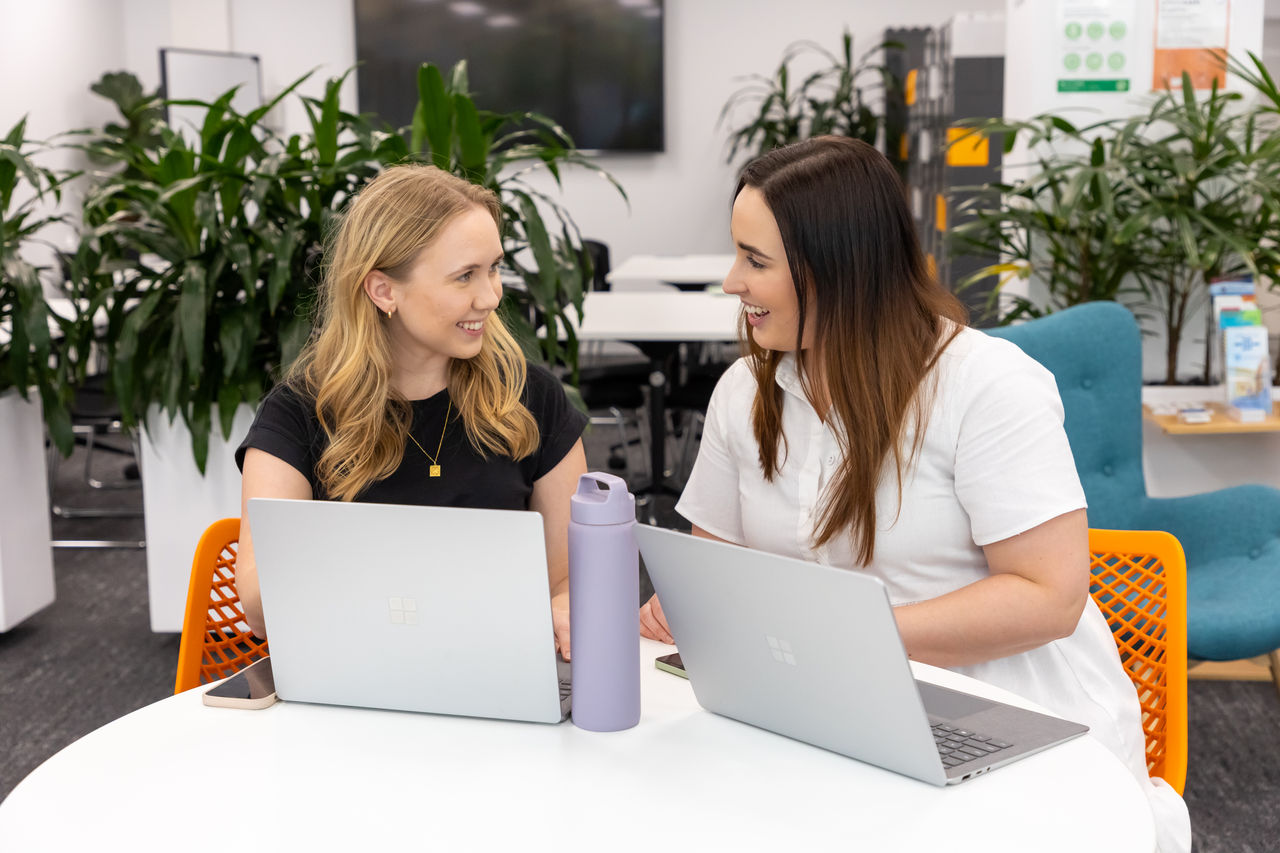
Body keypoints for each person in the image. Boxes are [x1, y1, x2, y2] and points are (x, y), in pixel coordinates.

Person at [638, 136, 1190, 851]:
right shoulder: (747, 390)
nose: (731, 281)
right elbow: (717, 573)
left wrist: (849, 638)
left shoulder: (986, 386)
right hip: (833, 707)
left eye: (755, 260)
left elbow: (1049, 595)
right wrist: (693, 610)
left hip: (1008, 717)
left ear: (835, 269)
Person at [235, 164, 587, 657]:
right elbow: (257, 605)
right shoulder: (298, 412)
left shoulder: (531, 398)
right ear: (383, 291)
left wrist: (565, 606)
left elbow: (568, 579)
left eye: (494, 268)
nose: (490, 296)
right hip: (356, 678)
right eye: (465, 275)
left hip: (498, 670)